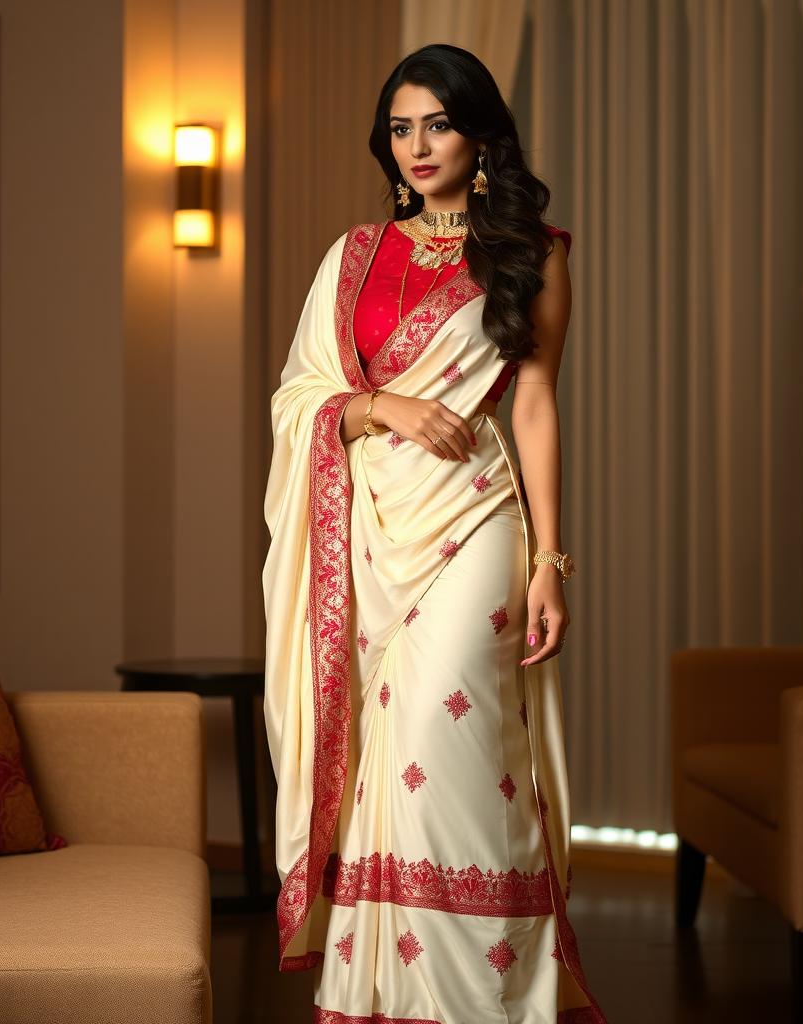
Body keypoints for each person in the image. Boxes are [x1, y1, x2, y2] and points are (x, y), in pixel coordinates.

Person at [262, 42, 608, 1024]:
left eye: (437, 124)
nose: (417, 145)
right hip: (371, 530)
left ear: (478, 131)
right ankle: (396, 996)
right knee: (390, 763)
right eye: (400, 127)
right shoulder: (353, 257)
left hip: (475, 523)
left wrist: (548, 561)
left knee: (447, 742)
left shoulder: (532, 253)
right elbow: (301, 394)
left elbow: (534, 401)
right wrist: (382, 409)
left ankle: (484, 995)